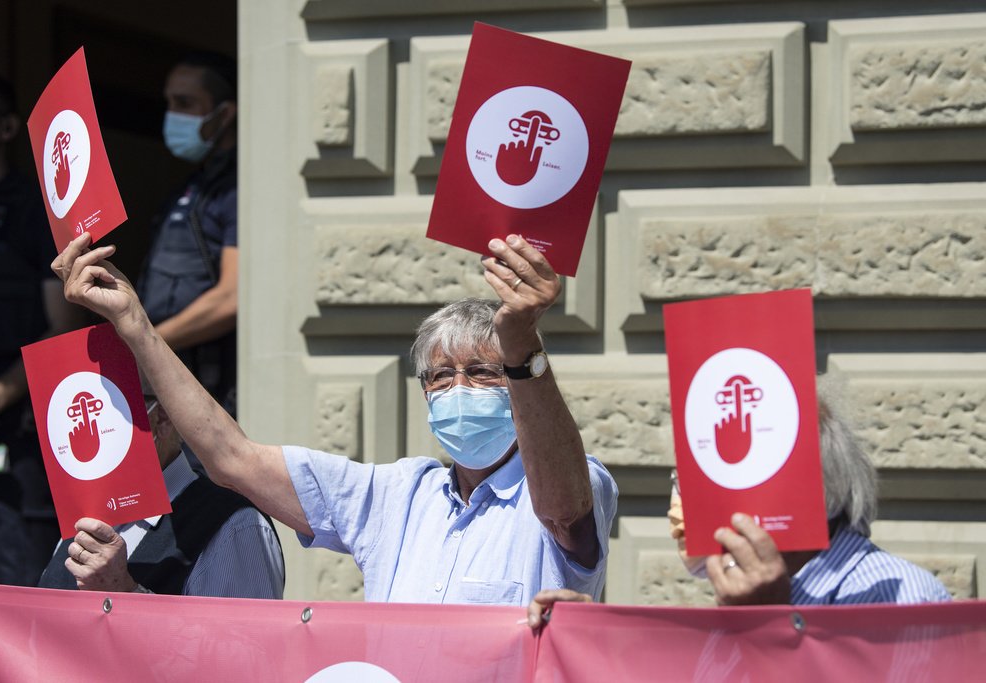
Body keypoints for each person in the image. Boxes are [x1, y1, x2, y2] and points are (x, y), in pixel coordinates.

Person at [52, 231, 618, 605]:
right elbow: (233, 461)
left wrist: (522, 347)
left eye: (485, 373)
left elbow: (564, 510)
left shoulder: (577, 480)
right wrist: (135, 324)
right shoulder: (398, 496)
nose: (459, 389)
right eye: (442, 378)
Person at [526, 386, 951, 627]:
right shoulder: (741, 591)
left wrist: (771, 626)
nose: (682, 504)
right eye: (684, 479)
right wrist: (602, 641)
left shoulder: (906, 600)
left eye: (710, 478)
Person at [0, 72, 83, 585]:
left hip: (13, 423)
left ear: (7, 126)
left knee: (22, 584)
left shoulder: (39, 208)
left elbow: (62, 329)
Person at [38, 388, 284, 597]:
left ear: (161, 419)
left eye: (99, 413)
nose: (86, 427)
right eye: (74, 416)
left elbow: (239, 649)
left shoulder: (235, 527)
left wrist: (125, 592)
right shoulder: (81, 514)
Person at [136, 52, 238, 418]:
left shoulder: (239, 188)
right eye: (169, 103)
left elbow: (232, 297)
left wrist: (144, 342)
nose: (173, 113)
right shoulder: (191, 187)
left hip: (212, 391)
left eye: (186, 103)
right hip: (168, 385)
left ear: (225, 113)